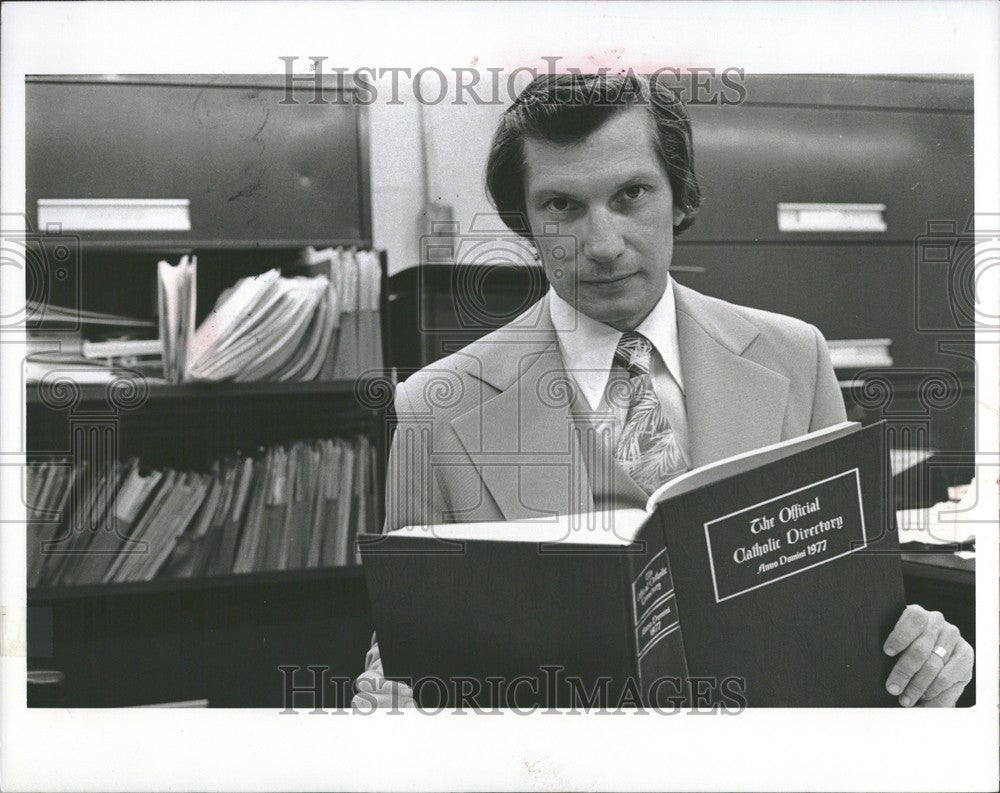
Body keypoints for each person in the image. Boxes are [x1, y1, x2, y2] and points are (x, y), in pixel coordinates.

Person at [353, 73, 974, 709]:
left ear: (680, 197)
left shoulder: (798, 358)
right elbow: (407, 644)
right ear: (526, 223)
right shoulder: (434, 405)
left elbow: (847, 604)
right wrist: (390, 695)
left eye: (631, 195)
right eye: (561, 205)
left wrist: (924, 656)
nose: (601, 245)